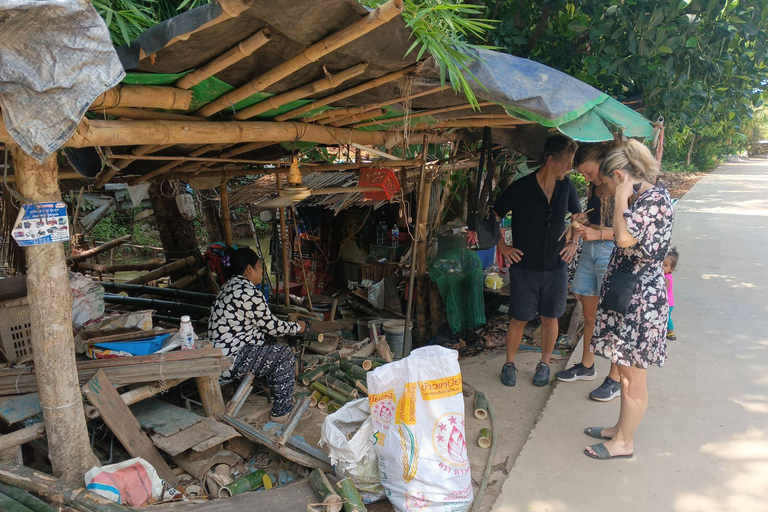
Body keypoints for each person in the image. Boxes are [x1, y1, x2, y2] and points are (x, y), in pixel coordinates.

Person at [583, 140, 674, 460]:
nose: (604, 189)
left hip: (641, 302)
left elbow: (623, 237)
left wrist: (621, 196)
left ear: (620, 176)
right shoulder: (644, 198)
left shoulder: (653, 201)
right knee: (622, 370)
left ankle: (625, 443)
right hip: (628, 296)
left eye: (608, 183)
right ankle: (619, 430)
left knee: (633, 377)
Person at [494, 135, 582, 387]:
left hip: (555, 266)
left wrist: (574, 242)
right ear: (551, 159)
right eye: (567, 161)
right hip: (524, 267)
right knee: (519, 318)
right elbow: (493, 216)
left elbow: (578, 217)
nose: (570, 167)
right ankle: (509, 363)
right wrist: (503, 247)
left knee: (550, 317)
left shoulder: (567, 187)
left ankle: (544, 364)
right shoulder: (521, 187)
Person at [208, 247, 307, 421]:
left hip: (218, 355)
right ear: (249, 269)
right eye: (260, 266)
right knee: (283, 355)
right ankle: (282, 411)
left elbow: (264, 324)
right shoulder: (247, 292)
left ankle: (273, 388)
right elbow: (273, 326)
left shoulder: (229, 287)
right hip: (229, 361)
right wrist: (297, 328)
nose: (262, 271)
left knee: (269, 341)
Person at [555, 143, 622, 402]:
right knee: (590, 314)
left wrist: (597, 233)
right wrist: (584, 223)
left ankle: (615, 379)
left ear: (603, 162)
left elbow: (628, 234)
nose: (586, 178)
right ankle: (587, 366)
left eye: (588, 172)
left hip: (611, 251)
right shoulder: (595, 186)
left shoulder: (621, 186)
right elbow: (598, 221)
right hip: (591, 250)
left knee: (614, 318)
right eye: (582, 174)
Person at [664, 247, 679, 340]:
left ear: (671, 269)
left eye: (665, 266)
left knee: (667, 317)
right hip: (670, 302)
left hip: (667, 302)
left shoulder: (666, 278)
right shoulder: (667, 275)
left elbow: (663, 290)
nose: (662, 267)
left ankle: (671, 332)